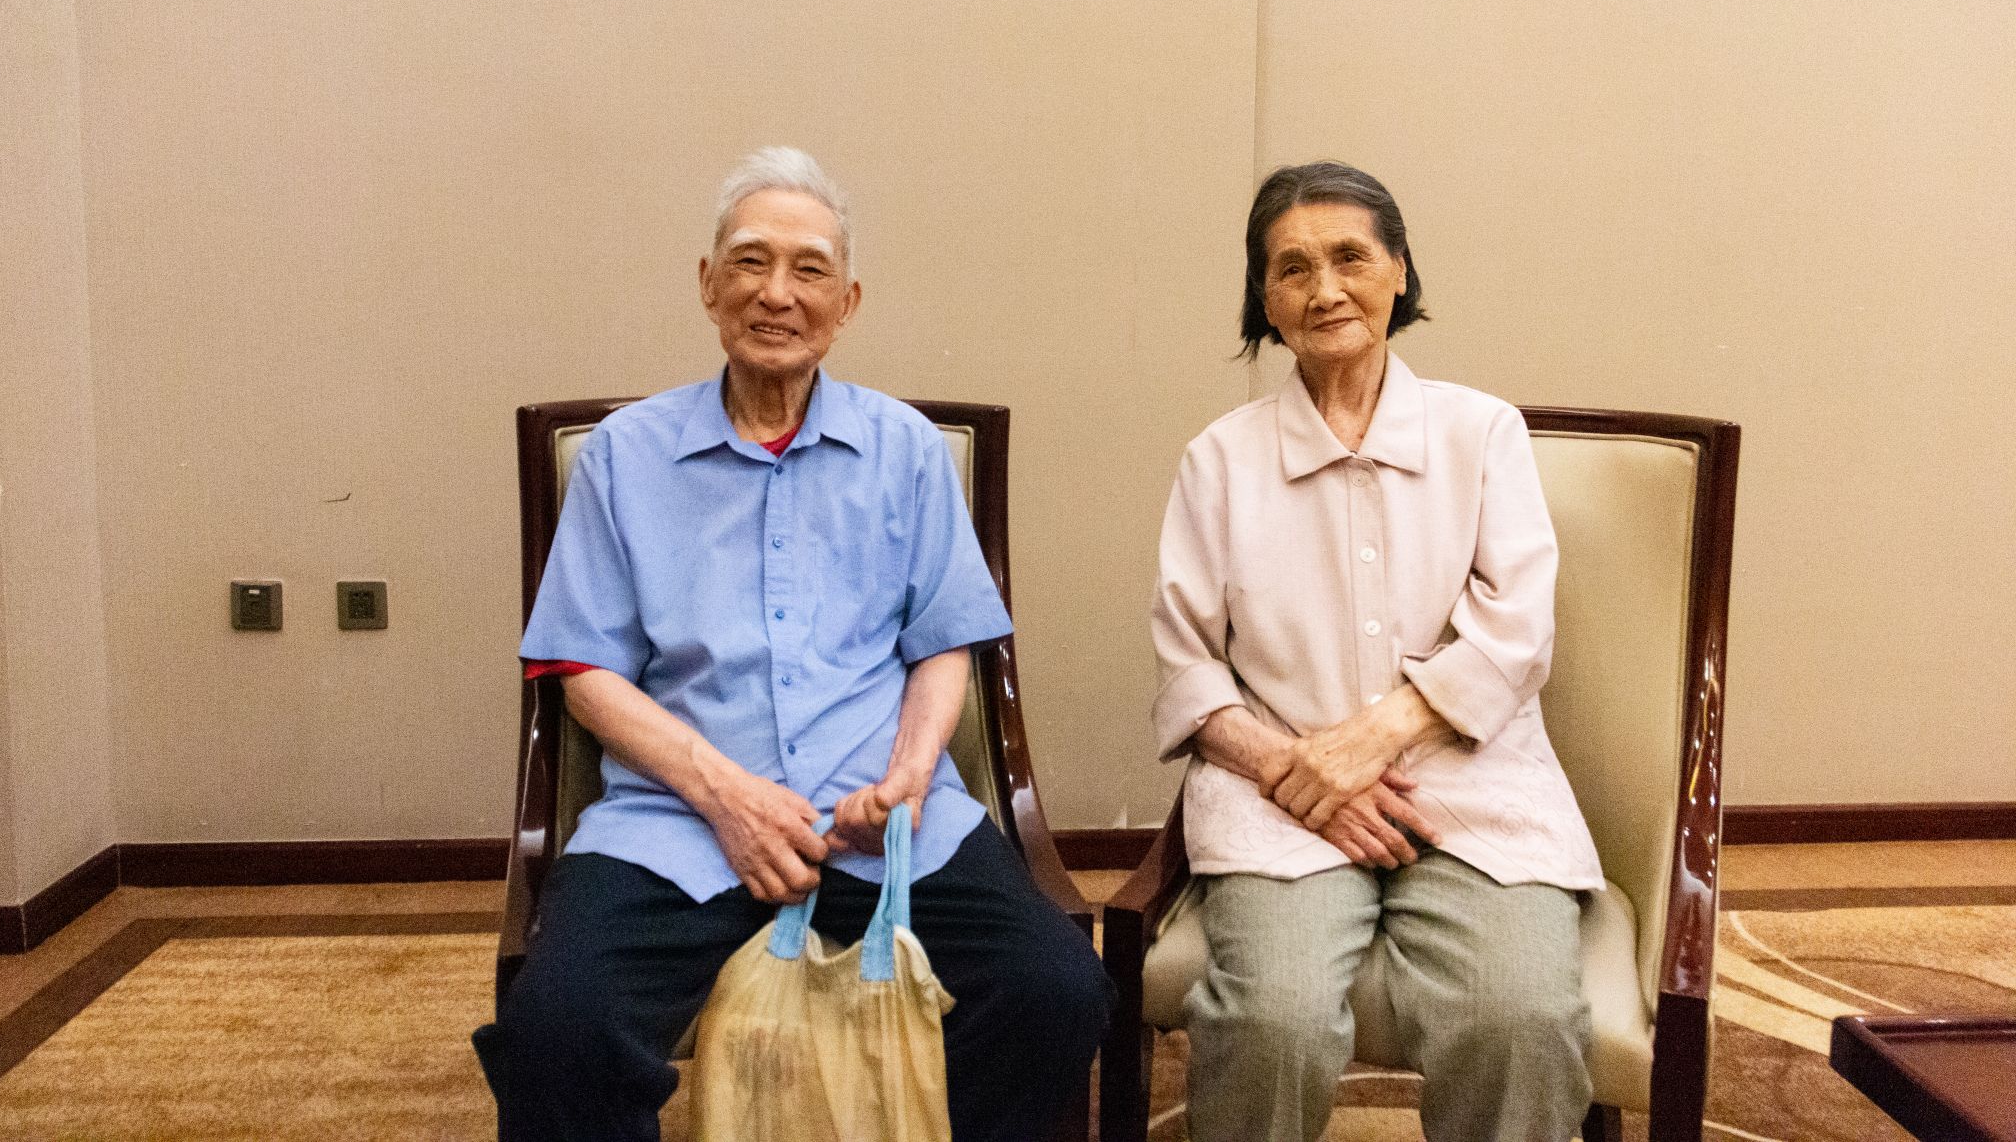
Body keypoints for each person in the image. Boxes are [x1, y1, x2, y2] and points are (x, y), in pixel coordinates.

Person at [474, 147, 1110, 1142]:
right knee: (557, 1034)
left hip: (878, 824)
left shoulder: (904, 450)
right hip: (677, 826)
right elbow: (582, 669)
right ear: (707, 284)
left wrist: (908, 778)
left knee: (1056, 993)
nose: (777, 293)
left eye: (809, 269)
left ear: (845, 303)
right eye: (750, 261)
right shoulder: (625, 458)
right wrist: (725, 797)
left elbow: (945, 642)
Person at [1151, 161, 1602, 1142]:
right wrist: (1298, 769)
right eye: (1292, 269)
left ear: (1399, 270)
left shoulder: (1481, 432)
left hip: (1471, 786)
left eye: (1349, 257)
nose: (1324, 289)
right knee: (1269, 1022)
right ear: (1264, 299)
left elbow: (1517, 626)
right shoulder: (1218, 460)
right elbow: (1187, 669)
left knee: (1518, 1017)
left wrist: (1371, 739)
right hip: (1280, 798)